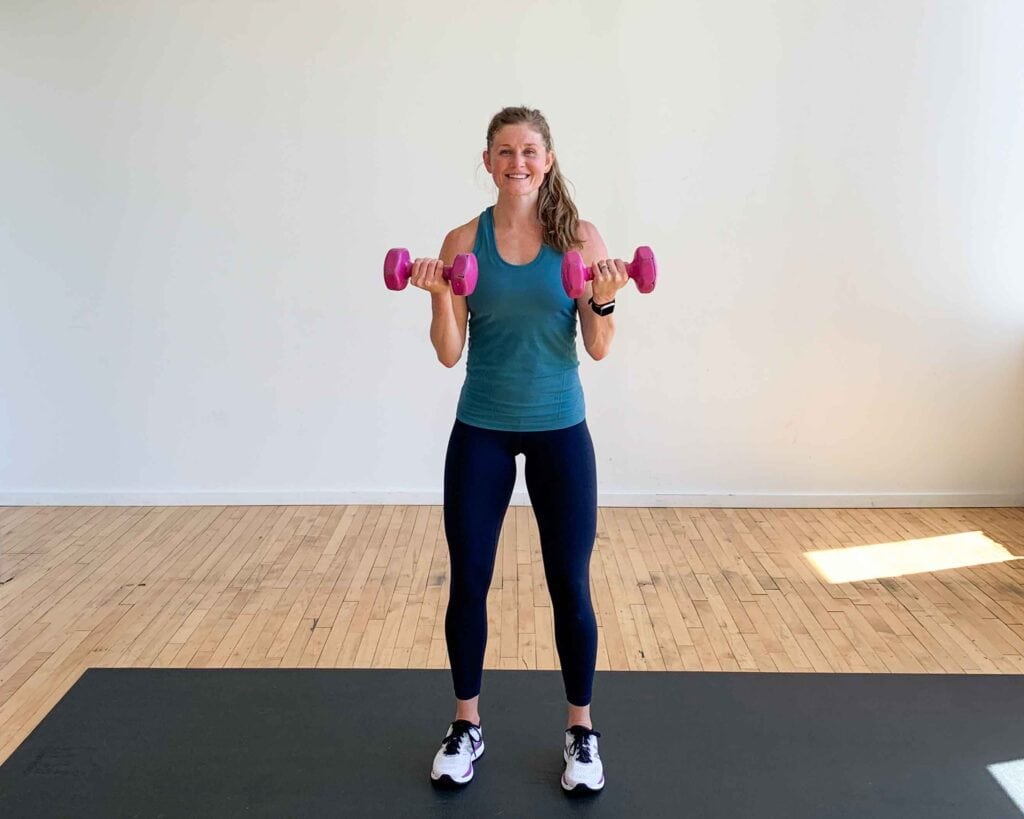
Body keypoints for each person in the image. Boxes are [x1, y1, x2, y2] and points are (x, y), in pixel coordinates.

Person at [409, 106, 629, 794]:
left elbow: (596, 348)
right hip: (483, 426)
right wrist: (442, 295)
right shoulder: (460, 240)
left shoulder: (581, 238)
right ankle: (466, 723)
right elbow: (449, 355)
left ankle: (582, 731)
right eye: (505, 152)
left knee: (570, 582)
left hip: (561, 427)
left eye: (529, 150)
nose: (518, 163)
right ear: (488, 162)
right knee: (469, 577)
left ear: (548, 159)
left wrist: (605, 299)